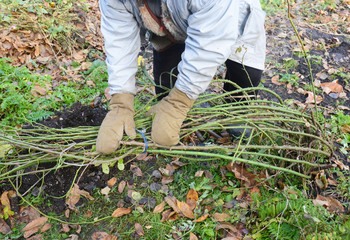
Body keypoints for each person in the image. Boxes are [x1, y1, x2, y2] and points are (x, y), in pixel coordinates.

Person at [96, 0, 266, 154]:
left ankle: (237, 112)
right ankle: (188, 116)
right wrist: (121, 101)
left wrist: (179, 101)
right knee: (165, 87)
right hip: (169, 23)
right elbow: (119, 39)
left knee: (243, 78)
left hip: (233, 17)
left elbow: (210, 44)